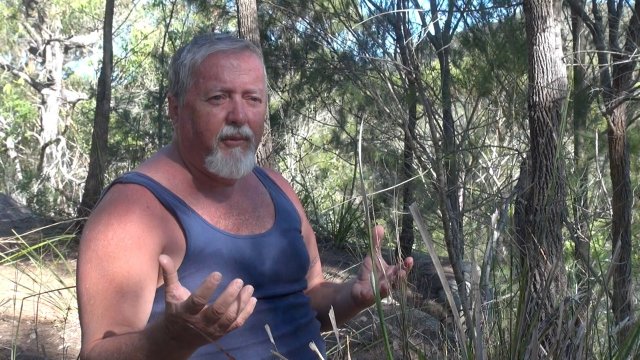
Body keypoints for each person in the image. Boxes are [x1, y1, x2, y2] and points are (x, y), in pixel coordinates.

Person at [76, 32, 413, 360]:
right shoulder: (133, 211)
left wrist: (351, 296)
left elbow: (308, 298)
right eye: (218, 98)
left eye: (252, 99)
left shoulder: (278, 188)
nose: (239, 116)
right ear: (175, 108)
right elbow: (97, 353)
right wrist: (170, 340)